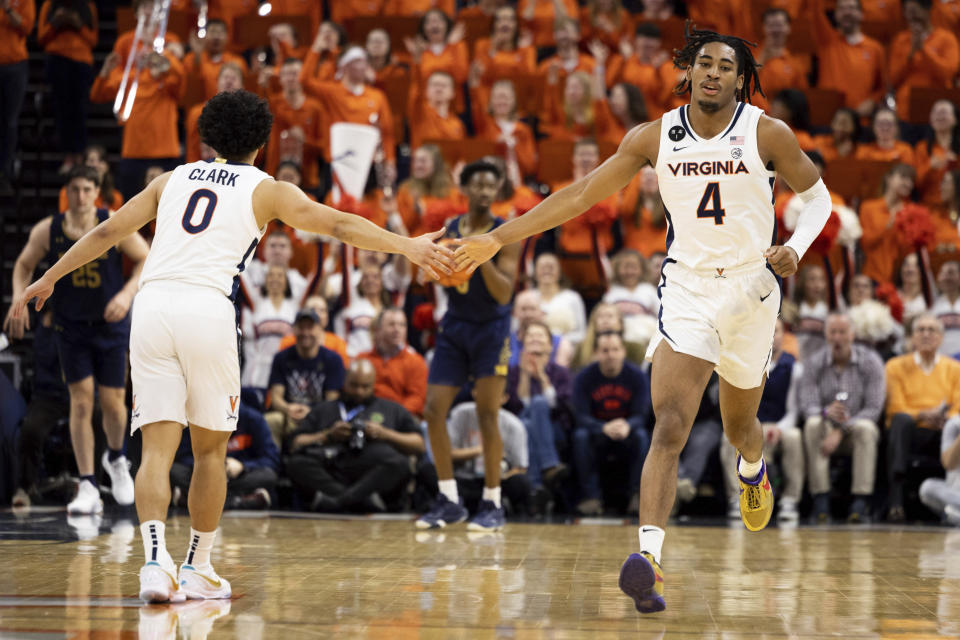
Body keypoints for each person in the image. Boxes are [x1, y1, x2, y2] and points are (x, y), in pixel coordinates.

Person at [9, 89, 454, 604]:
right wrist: (409, 246)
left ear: (207, 136)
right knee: (210, 451)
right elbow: (337, 224)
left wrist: (49, 278)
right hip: (207, 308)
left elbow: (108, 230)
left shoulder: (171, 179)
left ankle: (155, 563)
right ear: (261, 145)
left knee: (155, 448)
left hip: (152, 307)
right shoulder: (267, 189)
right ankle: (197, 565)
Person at [453, 24, 831, 613]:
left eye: (725, 66)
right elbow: (579, 195)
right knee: (671, 423)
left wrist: (797, 249)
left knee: (740, 427)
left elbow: (820, 198)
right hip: (687, 290)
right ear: (688, 70)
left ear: (740, 79)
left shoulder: (767, 133)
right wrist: (497, 238)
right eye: (704, 62)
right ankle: (648, 560)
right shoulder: (655, 136)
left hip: (754, 289)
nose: (713, 73)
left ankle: (752, 470)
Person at [5, 165, 149, 514]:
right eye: (76, 189)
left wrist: (127, 295)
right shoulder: (49, 230)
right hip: (71, 326)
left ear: (97, 191)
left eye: (88, 189)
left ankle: (115, 458)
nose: (81, 196)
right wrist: (17, 298)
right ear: (67, 192)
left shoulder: (111, 221)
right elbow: (24, 265)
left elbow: (145, 257)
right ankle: (87, 483)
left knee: (114, 404)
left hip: (110, 325)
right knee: (81, 403)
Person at [415, 159, 520, 532]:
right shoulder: (451, 229)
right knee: (432, 409)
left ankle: (492, 502)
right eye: (477, 185)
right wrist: (436, 267)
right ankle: (449, 499)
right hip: (456, 326)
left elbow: (505, 293)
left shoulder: (506, 233)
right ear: (466, 189)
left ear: (498, 189)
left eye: (490, 186)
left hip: (492, 329)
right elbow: (439, 276)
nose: (484, 192)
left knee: (487, 414)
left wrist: (481, 256)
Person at [286, 359, 425, 513]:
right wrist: (328, 435)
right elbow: (296, 443)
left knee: (400, 464)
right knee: (296, 463)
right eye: (354, 385)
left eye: (365, 387)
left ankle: (339, 502)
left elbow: (419, 444)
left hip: (372, 472)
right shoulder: (325, 408)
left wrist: (385, 434)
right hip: (331, 467)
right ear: (345, 381)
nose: (359, 391)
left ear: (374, 384)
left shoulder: (392, 409)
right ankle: (359, 501)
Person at [799, 313, 884, 523]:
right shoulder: (813, 362)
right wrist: (826, 413)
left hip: (855, 428)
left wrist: (842, 429)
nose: (838, 337)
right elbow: (808, 406)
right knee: (812, 424)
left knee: (867, 428)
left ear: (852, 334)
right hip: (825, 428)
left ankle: (860, 501)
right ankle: (821, 499)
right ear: (826, 335)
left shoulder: (871, 362)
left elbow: (873, 409)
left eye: (842, 332)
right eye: (833, 332)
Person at [720, 318, 803, 522]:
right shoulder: (745, 364)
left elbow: (794, 410)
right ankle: (736, 497)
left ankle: (790, 501)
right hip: (750, 425)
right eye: (767, 330)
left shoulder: (794, 367)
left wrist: (780, 428)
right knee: (727, 438)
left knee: (795, 437)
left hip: (779, 426)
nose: (772, 336)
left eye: (776, 331)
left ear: (784, 336)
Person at [885, 313, 960, 522]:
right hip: (912, 430)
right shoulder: (895, 366)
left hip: (943, 430)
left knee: (956, 427)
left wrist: (945, 419)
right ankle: (896, 502)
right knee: (901, 421)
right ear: (912, 337)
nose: (926, 335)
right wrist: (922, 414)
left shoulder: (955, 369)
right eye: (921, 330)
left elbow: (957, 407)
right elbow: (895, 409)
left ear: (941, 338)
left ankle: (953, 502)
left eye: (932, 330)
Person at [572, 331, 651, 516]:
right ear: (596, 354)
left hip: (627, 432)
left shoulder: (637, 376)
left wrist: (627, 425)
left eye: (615, 350)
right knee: (580, 436)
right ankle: (591, 497)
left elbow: (642, 414)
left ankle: (637, 496)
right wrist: (602, 427)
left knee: (641, 435)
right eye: (605, 350)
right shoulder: (583, 378)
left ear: (623, 352)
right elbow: (580, 415)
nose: (610, 355)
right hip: (597, 433)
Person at [170, 402, 280, 510]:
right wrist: (203, 464)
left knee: (268, 475)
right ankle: (239, 501)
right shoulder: (197, 419)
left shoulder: (253, 418)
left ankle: (198, 501)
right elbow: (182, 456)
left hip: (237, 477)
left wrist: (243, 466)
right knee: (173, 471)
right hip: (203, 475)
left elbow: (271, 459)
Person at [265, 308, 346, 445]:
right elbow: (276, 397)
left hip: (320, 417)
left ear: (320, 330)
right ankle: (272, 464)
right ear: (294, 330)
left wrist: (311, 412)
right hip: (289, 415)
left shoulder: (333, 359)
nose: (305, 333)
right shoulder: (281, 358)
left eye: (310, 328)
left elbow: (332, 400)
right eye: (301, 328)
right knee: (270, 420)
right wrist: (288, 408)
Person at [37, 0, 97, 174]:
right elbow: (41, 37)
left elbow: (93, 40)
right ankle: (68, 157)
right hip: (57, 61)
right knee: (62, 109)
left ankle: (79, 156)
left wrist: (77, 24)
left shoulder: (88, 6)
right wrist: (56, 23)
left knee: (79, 109)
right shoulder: (49, 5)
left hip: (81, 63)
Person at [358, 307, 428, 417]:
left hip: (401, 421)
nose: (397, 329)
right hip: (366, 416)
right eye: (391, 324)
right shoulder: (362, 360)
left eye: (402, 325)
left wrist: (395, 416)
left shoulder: (416, 361)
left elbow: (417, 398)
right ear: (378, 329)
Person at [0, 0, 34, 190]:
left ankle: (5, 170)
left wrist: (6, 8)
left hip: (14, 65)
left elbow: (26, 27)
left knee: (10, 120)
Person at [918, 415, 960, 525]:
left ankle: (954, 516)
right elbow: (948, 464)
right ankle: (954, 515)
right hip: (955, 493)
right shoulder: (953, 425)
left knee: (952, 512)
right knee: (927, 488)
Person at [932, 261, 960, 355]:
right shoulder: (932, 304)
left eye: (951, 273)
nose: (946, 277)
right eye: (942, 273)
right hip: (941, 360)